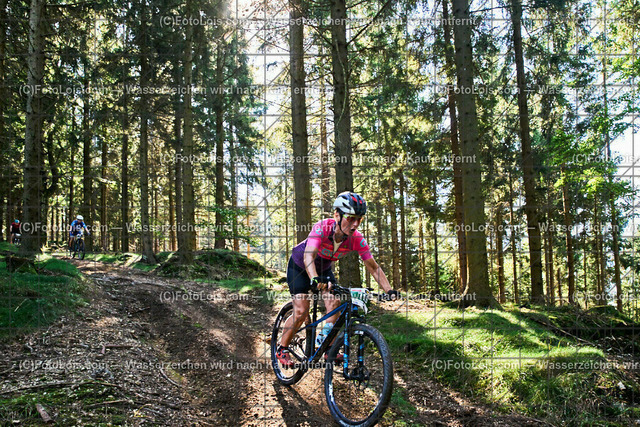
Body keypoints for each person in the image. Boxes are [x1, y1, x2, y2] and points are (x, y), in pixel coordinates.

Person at [276, 191, 399, 368]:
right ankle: (282, 348)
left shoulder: (356, 239)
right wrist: (314, 278)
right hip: (299, 267)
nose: (355, 224)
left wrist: (389, 290)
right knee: (302, 310)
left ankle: (327, 346)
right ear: (337, 215)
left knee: (335, 304)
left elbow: (373, 267)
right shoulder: (322, 228)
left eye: (359, 219)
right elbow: (309, 256)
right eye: (350, 218)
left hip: (323, 269)